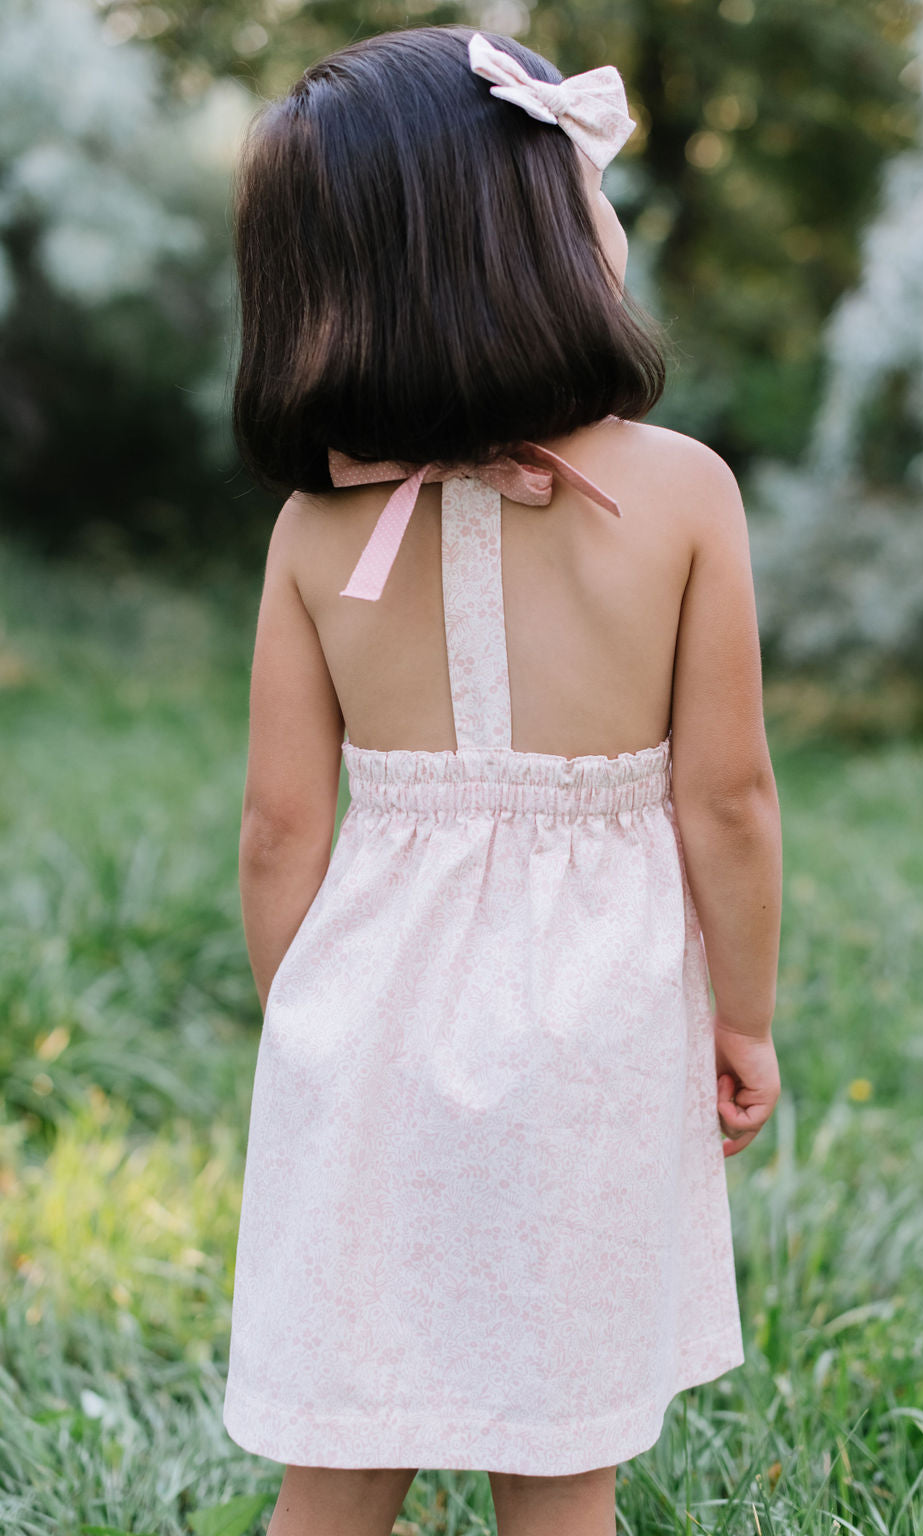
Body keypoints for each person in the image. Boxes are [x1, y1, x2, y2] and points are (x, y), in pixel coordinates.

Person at [221, 23, 782, 1536]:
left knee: (338, 1459)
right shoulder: (680, 496)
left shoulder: (315, 530)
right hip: (592, 1042)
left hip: (366, 1036)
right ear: (528, 241)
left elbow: (283, 829)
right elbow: (727, 800)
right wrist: (743, 1017)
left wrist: (322, 1031)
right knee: (561, 1469)